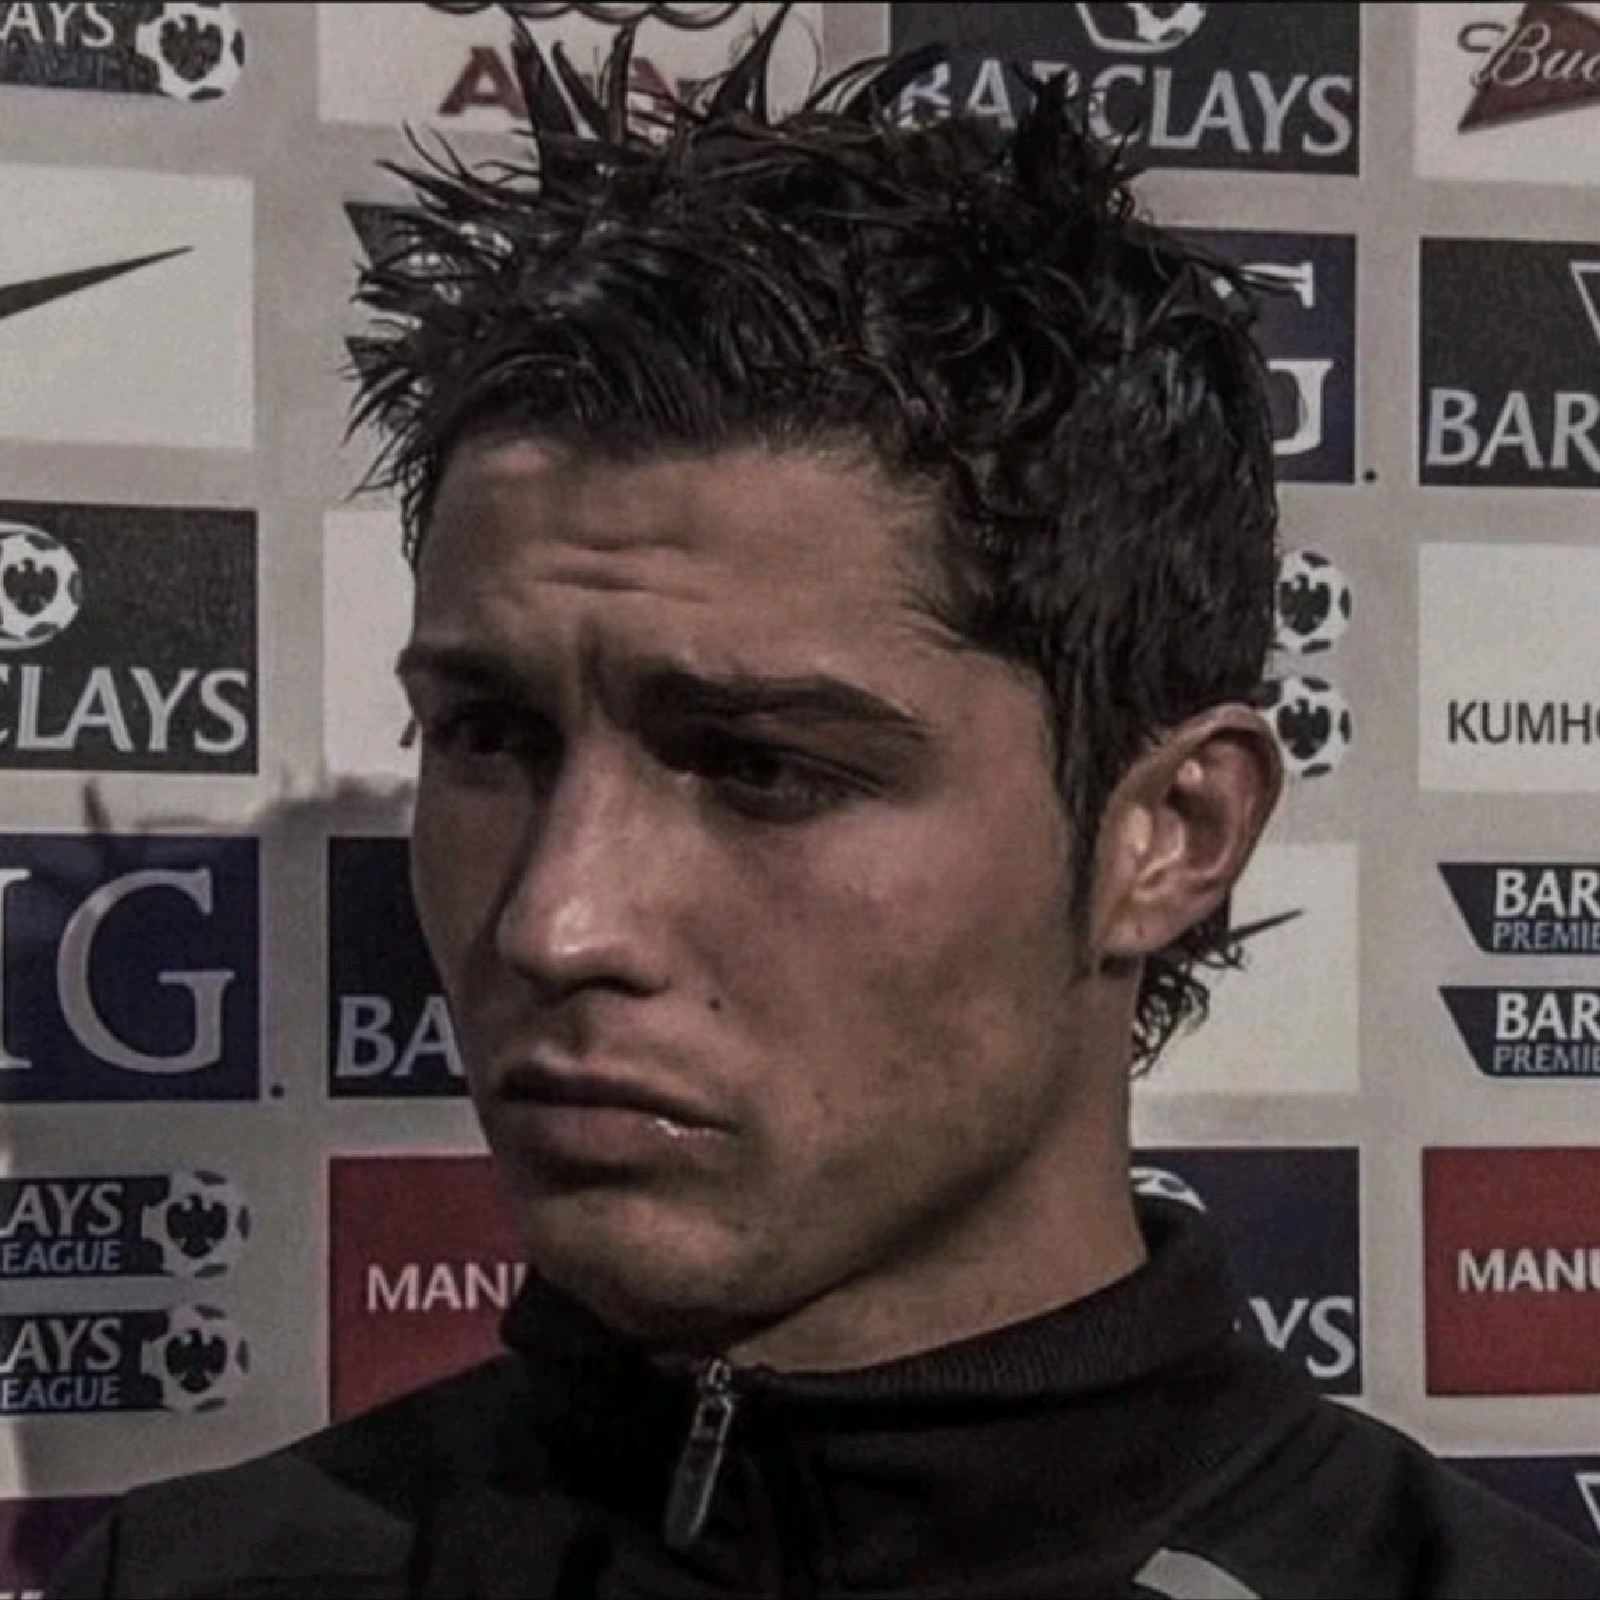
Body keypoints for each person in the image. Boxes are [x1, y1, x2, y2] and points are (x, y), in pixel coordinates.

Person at [48, 15, 1600, 1599]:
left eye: (764, 768)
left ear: (1172, 834)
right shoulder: (187, 1582)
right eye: (490, 737)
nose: (556, 922)